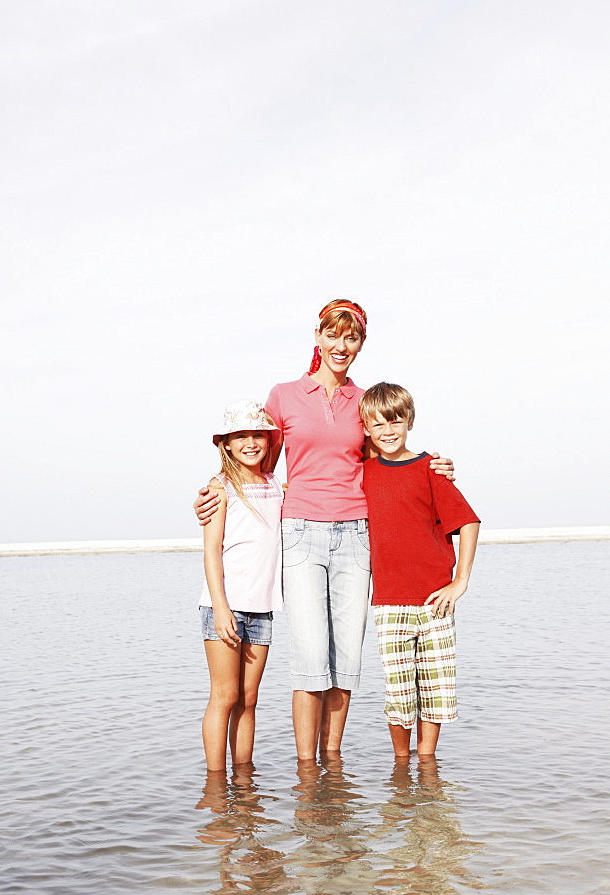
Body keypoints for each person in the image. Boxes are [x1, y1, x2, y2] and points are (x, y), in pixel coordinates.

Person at [194, 299, 455, 761]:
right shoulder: (284, 395)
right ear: (317, 337)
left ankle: (332, 760)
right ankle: (307, 767)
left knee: (347, 661)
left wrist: (434, 467)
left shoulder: (363, 400)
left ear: (360, 344)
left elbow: (388, 457)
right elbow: (258, 467)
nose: (341, 346)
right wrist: (215, 488)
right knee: (311, 657)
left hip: (357, 534)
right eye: (332, 336)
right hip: (299, 534)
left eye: (351, 338)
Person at [359, 382, 480, 758]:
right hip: (389, 603)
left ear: (409, 420)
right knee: (398, 690)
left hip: (434, 600)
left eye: (395, 421)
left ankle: (427, 763)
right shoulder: (362, 473)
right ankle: (401, 762)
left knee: (436, 689)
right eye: (378, 425)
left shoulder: (430, 468)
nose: (388, 431)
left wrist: (460, 581)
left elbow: (469, 522)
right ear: (366, 429)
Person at [199, 400, 283, 771]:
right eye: (241, 436)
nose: (250, 442)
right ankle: (216, 781)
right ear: (227, 444)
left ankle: (244, 778)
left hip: (262, 607)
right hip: (225, 607)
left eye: (257, 435)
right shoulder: (220, 487)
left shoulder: (275, 485)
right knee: (225, 695)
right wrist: (220, 608)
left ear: (268, 440)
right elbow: (211, 553)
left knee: (249, 698)